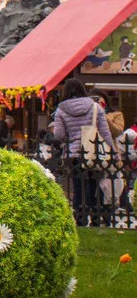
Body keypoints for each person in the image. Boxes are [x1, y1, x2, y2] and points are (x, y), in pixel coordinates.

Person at [52, 78, 116, 227]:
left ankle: (80, 219)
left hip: (74, 154)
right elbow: (105, 132)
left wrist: (72, 136)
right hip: (93, 151)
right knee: (94, 186)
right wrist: (112, 150)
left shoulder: (61, 110)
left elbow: (59, 134)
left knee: (78, 188)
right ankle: (96, 218)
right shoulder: (95, 107)